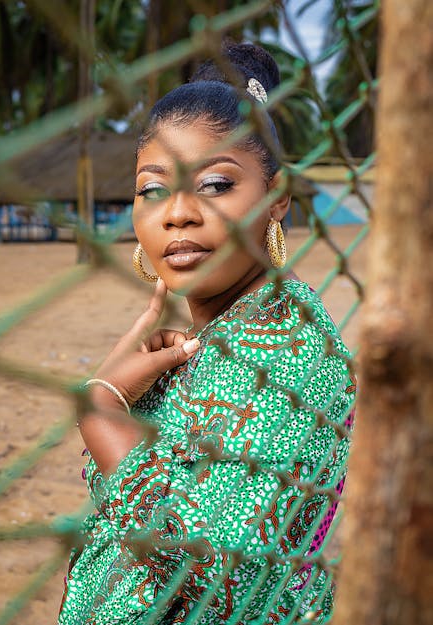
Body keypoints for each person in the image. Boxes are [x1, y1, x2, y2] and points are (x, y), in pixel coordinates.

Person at [58, 41, 355, 625]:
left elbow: (216, 579)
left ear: (276, 199)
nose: (177, 213)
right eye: (152, 189)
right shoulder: (225, 332)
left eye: (215, 185)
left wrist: (100, 408)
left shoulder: (288, 353)